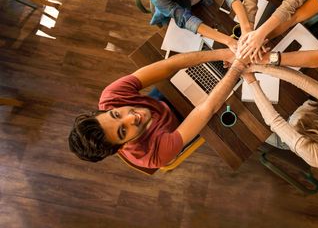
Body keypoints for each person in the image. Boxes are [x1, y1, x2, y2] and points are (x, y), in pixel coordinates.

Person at [68, 48, 245, 169]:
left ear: (106, 110)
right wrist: (237, 66)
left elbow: (169, 65)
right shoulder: (153, 155)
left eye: (116, 114)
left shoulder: (111, 96)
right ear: (120, 148)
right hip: (182, 126)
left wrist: (225, 53)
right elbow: (206, 109)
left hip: (162, 102)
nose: (131, 117)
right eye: (123, 131)